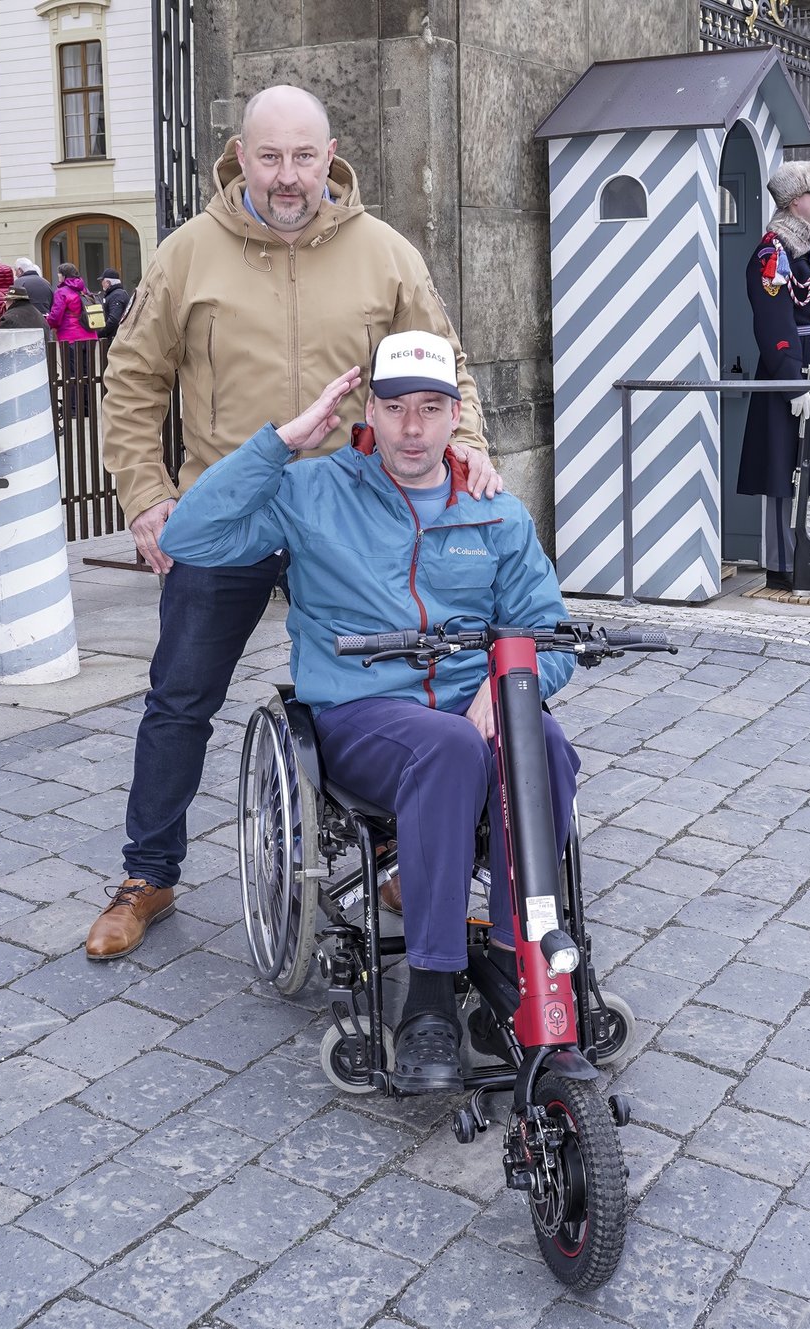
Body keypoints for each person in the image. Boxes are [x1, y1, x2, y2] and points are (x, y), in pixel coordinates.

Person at [87, 83, 496, 962]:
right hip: (231, 510)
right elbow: (132, 380)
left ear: (331, 154)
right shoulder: (187, 254)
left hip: (358, 518)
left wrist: (466, 442)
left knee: (388, 688)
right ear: (240, 156)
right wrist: (148, 494)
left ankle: (397, 858)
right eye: (269, 157)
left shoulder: (384, 253)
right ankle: (147, 874)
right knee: (180, 697)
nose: (286, 176)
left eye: (303, 156)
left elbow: (444, 362)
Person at [157, 332, 579, 1092]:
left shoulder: (494, 510)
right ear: (369, 412)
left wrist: (505, 683)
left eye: (430, 408)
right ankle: (428, 997)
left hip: (471, 712)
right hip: (363, 715)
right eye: (394, 408)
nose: (412, 429)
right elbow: (189, 535)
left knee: (540, 738)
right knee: (447, 749)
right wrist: (282, 443)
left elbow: (549, 633)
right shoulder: (314, 491)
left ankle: (526, 963)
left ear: (457, 416)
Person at [737, 159, 810, 593]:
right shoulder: (775, 251)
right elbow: (773, 323)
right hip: (797, 373)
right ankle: (781, 565)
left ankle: (796, 558)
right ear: (792, 201)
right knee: (783, 472)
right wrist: (793, 382)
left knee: (803, 473)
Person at [46, 262, 99, 344]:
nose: (58, 275)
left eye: (59, 273)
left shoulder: (61, 292)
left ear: (63, 275)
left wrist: (47, 322)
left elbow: (56, 317)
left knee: (71, 357)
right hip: (90, 336)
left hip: (70, 337)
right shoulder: (84, 289)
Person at [99, 268, 129, 339]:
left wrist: (100, 333)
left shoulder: (116, 295)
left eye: (102, 281)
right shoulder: (117, 294)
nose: (101, 283)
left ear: (108, 282)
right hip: (118, 337)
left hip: (116, 338)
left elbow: (114, 320)